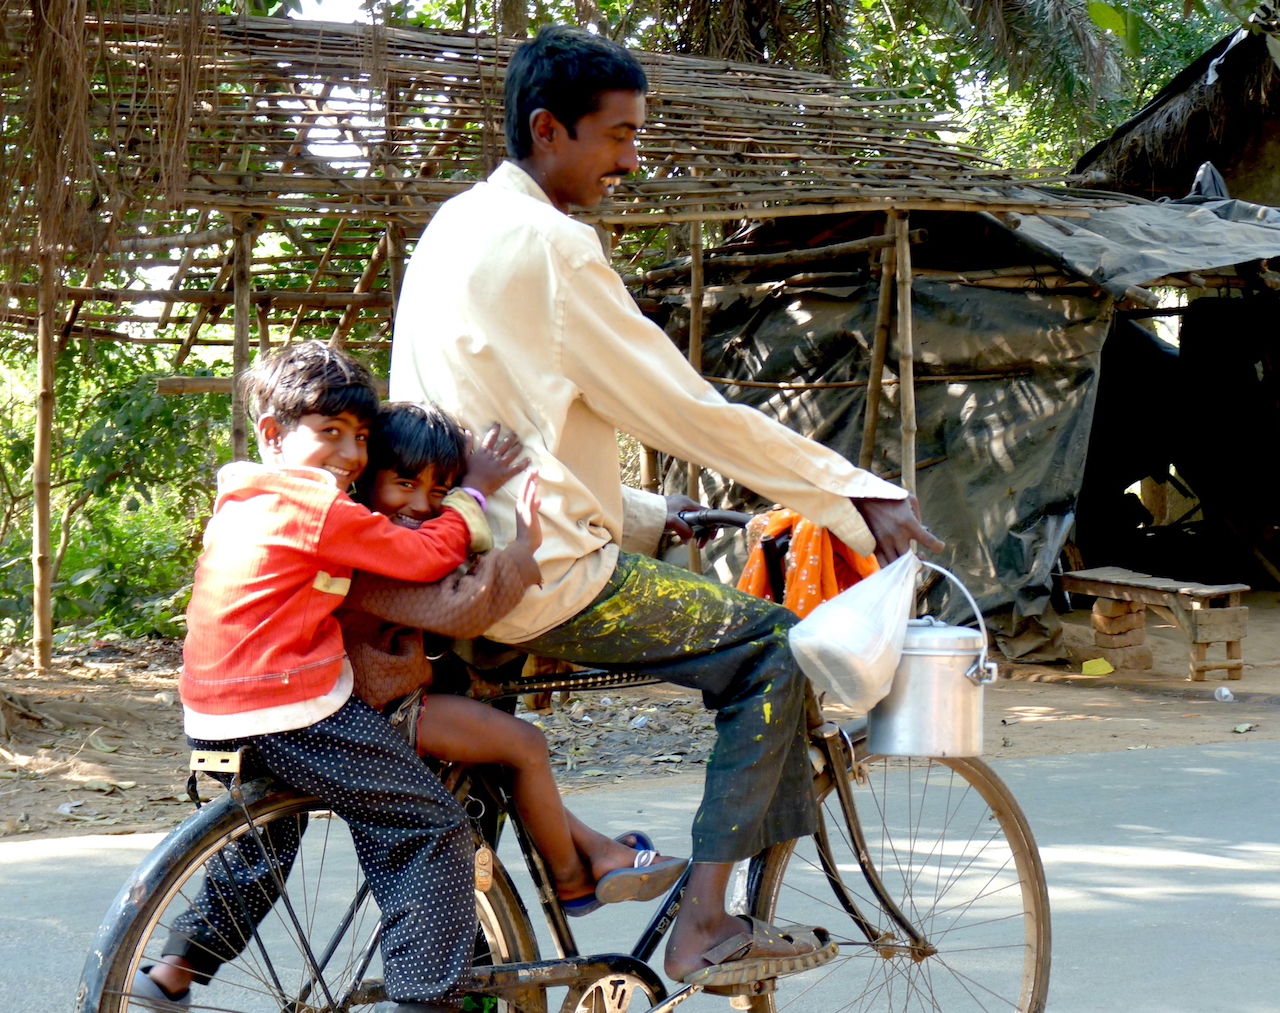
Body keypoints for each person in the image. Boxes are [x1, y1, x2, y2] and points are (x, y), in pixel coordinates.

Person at [390, 25, 944, 990]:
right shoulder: (553, 246)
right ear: (548, 129)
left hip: (444, 561)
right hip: (537, 577)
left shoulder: (453, 226)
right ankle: (702, 926)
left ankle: (531, 924)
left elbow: (511, 420)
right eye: (618, 136)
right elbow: (685, 409)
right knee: (777, 648)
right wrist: (852, 488)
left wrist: (645, 514)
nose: (631, 159)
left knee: (464, 835)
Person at [136, 342, 497, 1013]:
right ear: (272, 434)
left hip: (215, 710)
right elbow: (419, 555)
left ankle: (172, 972)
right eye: (328, 432)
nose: (352, 454)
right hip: (290, 706)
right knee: (431, 826)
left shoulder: (242, 499)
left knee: (263, 843)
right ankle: (427, 1001)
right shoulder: (312, 505)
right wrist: (466, 504)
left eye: (359, 437)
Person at [340, 401, 688, 914]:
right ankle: (571, 880)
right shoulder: (377, 543)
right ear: (368, 479)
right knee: (526, 744)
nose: (420, 504)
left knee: (505, 756)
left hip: (384, 701)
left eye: (439, 491)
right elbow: (462, 610)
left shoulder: (379, 528)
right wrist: (524, 549)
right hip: (383, 713)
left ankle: (600, 851)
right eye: (405, 484)